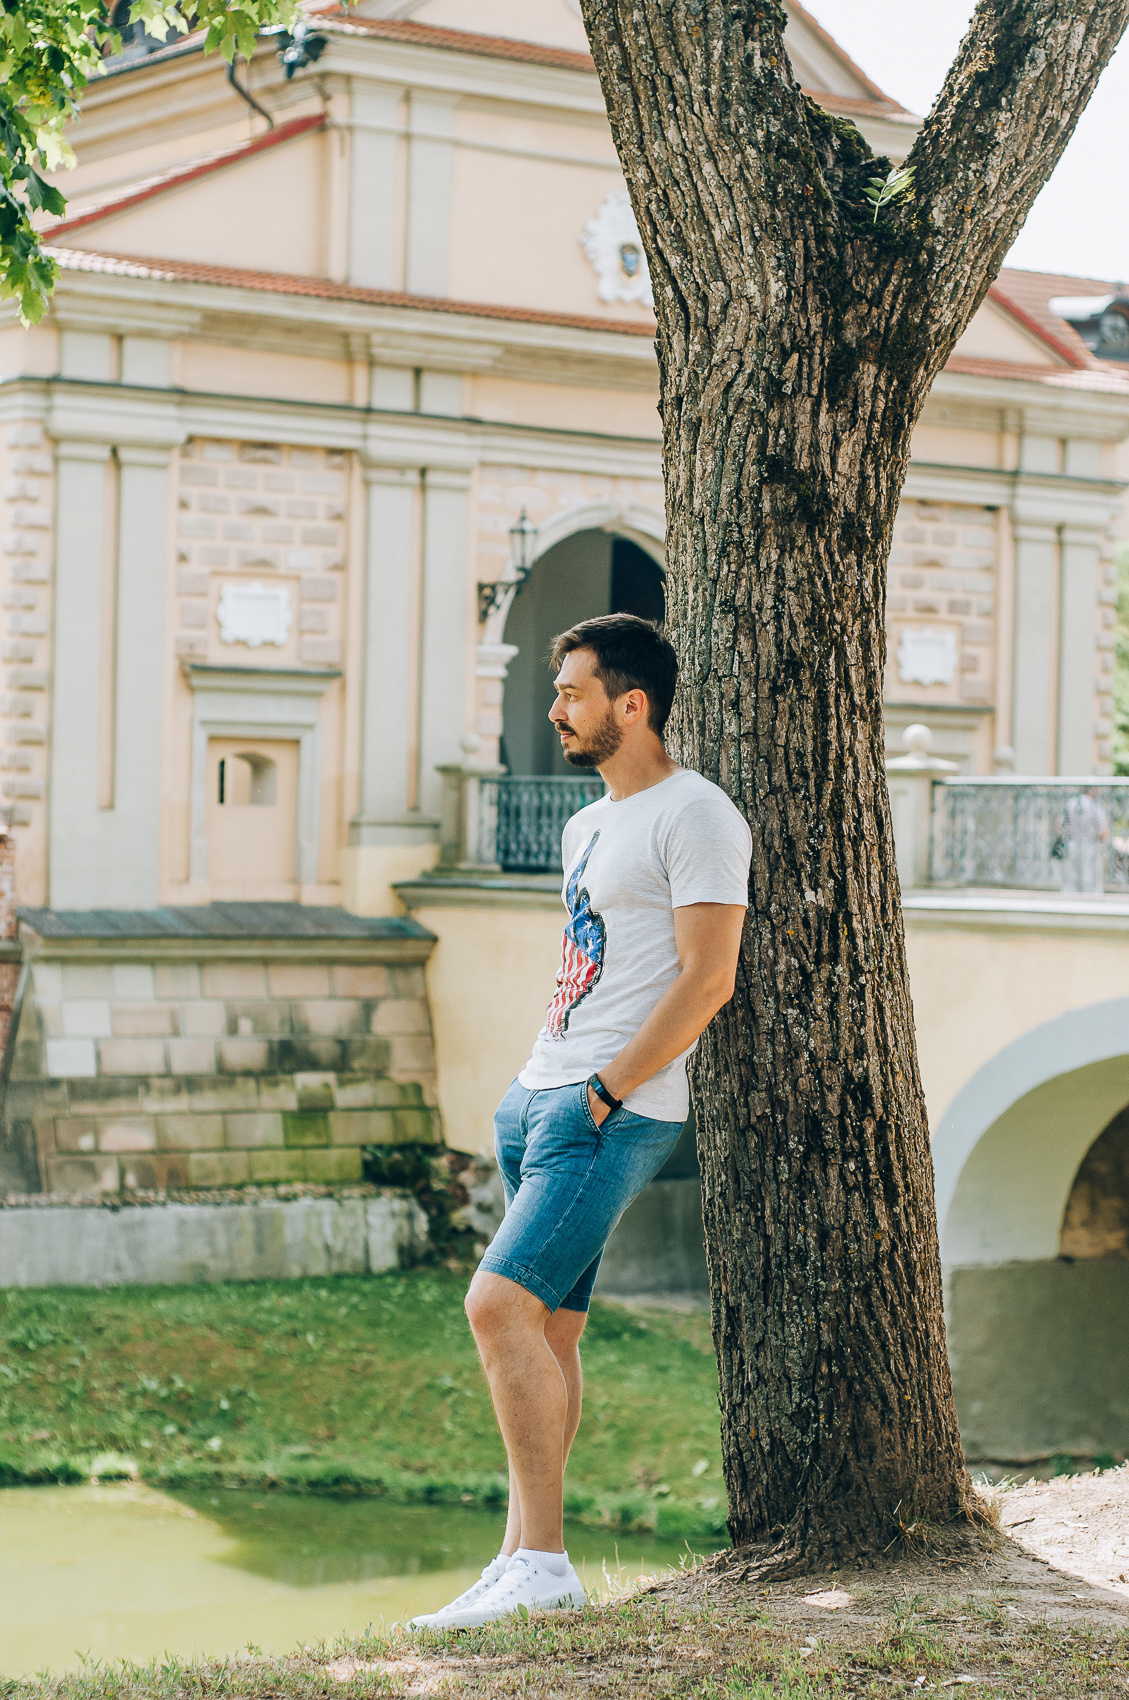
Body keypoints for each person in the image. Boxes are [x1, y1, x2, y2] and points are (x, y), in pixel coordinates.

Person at [411, 614, 752, 1631]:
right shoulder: (588, 823)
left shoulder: (696, 816)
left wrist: (601, 1091)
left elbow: (708, 978)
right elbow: (586, 963)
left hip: (613, 1109)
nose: (555, 707)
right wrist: (539, 1087)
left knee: (495, 1305)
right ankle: (518, 1554)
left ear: (630, 703)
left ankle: (549, 1561)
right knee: (549, 1327)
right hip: (543, 1095)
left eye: (571, 691)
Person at [1060, 786, 1109, 895]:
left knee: (1070, 876)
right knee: (1091, 878)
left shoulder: (1071, 803)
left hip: (1072, 845)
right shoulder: (1095, 807)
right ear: (1092, 789)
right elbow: (1104, 833)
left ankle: (1068, 903)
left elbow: (1059, 824)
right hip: (1090, 846)